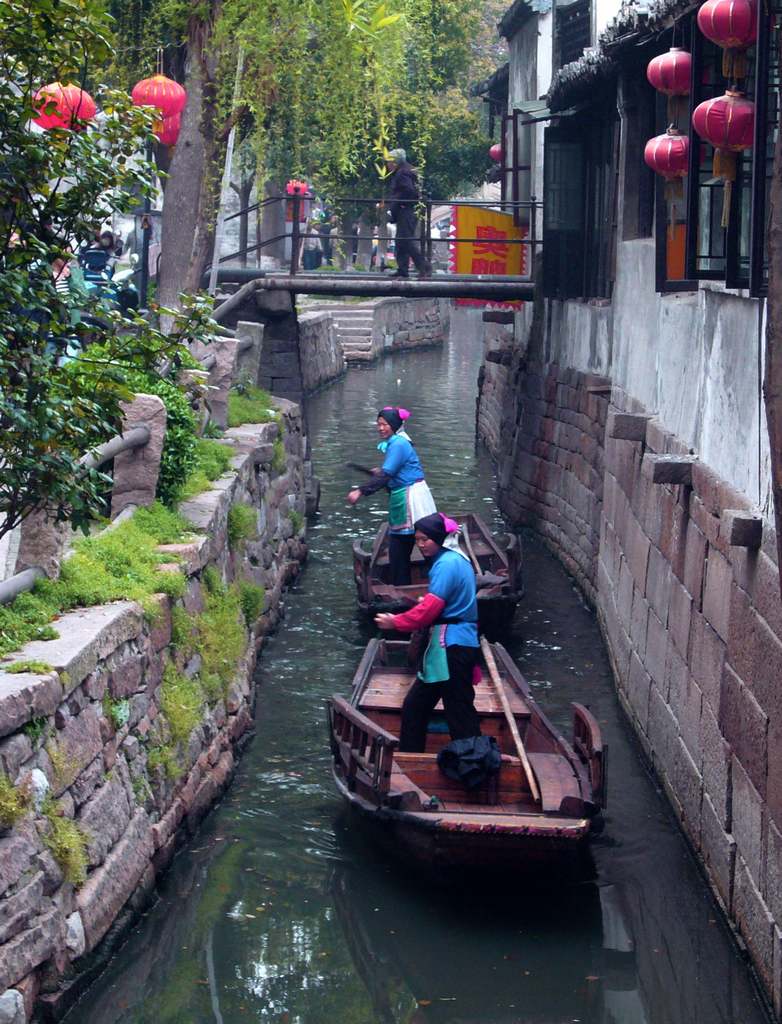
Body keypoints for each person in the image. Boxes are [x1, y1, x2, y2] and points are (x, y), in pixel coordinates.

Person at [375, 512, 481, 753]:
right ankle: (412, 758)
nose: (420, 545)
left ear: (439, 538)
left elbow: (430, 610)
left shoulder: (445, 564)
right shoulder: (459, 559)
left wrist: (396, 622)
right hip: (458, 643)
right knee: (418, 707)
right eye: (418, 540)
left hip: (450, 648)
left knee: (458, 711)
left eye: (425, 540)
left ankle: (473, 765)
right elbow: (442, 602)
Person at [347, 406, 436, 586]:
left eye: (384, 424)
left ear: (394, 425)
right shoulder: (399, 441)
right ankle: (415, 584)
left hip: (411, 499)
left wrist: (361, 490)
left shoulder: (398, 444)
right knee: (405, 546)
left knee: (400, 549)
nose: (380, 428)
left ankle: (404, 587)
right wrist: (382, 473)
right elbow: (393, 470)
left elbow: (387, 475)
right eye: (378, 424)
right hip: (406, 495)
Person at [385, 148, 431, 279]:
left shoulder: (402, 173)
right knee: (401, 240)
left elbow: (408, 191)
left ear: (396, 162)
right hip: (409, 208)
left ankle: (424, 267)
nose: (388, 165)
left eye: (390, 162)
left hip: (406, 209)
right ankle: (403, 269)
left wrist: (395, 203)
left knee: (406, 240)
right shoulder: (408, 170)